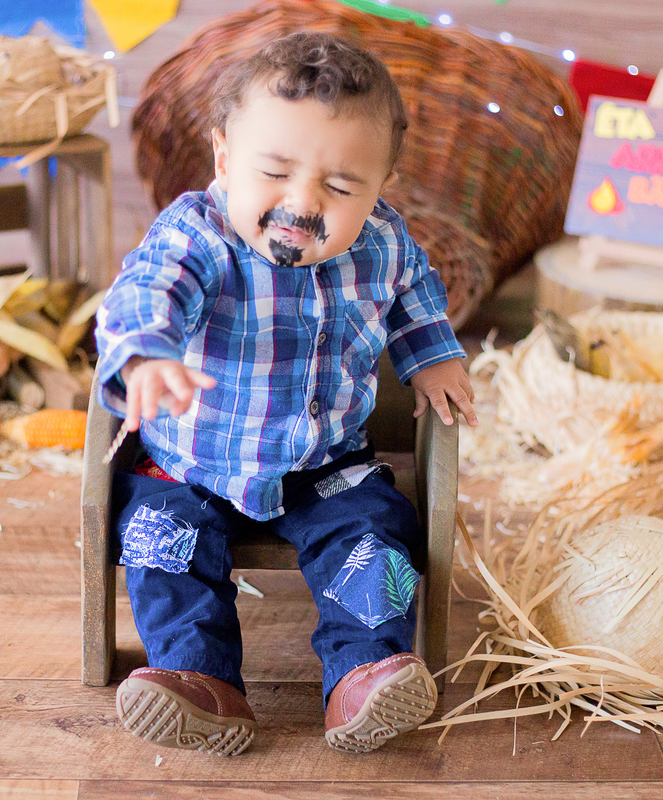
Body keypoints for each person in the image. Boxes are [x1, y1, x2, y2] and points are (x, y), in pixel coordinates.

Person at [94, 31, 477, 757]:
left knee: (374, 538)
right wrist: (148, 353)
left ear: (378, 186)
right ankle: (198, 680)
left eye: (340, 187)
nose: (302, 204)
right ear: (224, 159)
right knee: (161, 543)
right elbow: (148, 290)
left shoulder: (385, 243)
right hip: (190, 463)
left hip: (326, 464)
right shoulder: (197, 235)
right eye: (273, 172)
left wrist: (431, 357)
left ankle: (362, 672)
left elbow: (417, 294)